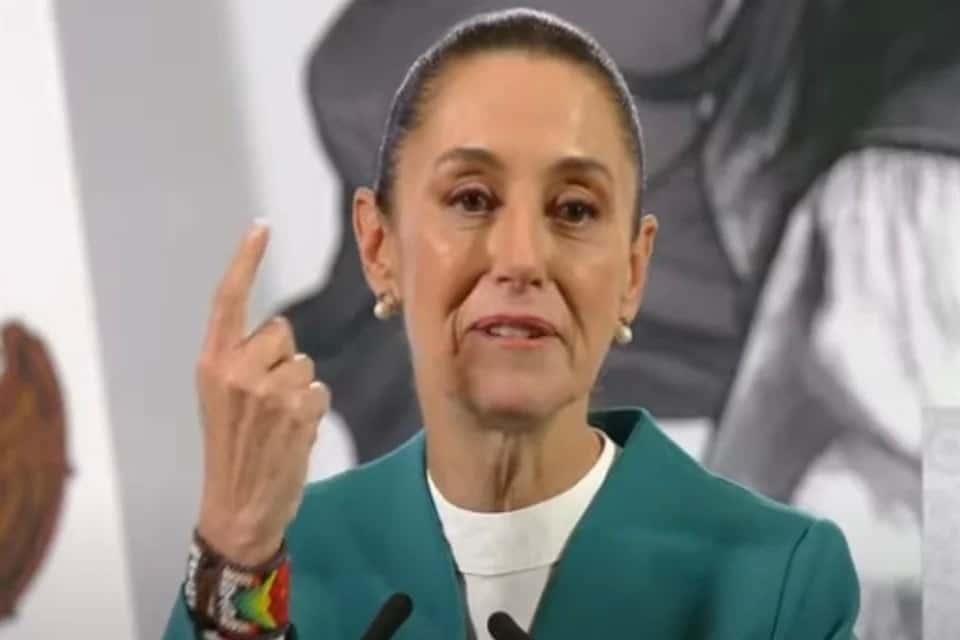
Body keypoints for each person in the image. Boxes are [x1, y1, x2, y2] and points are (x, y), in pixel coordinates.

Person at [163, 9, 859, 639]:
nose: (522, 258)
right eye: (472, 199)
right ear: (379, 249)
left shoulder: (774, 580)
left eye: (575, 209)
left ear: (633, 271)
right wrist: (237, 545)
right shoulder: (280, 566)